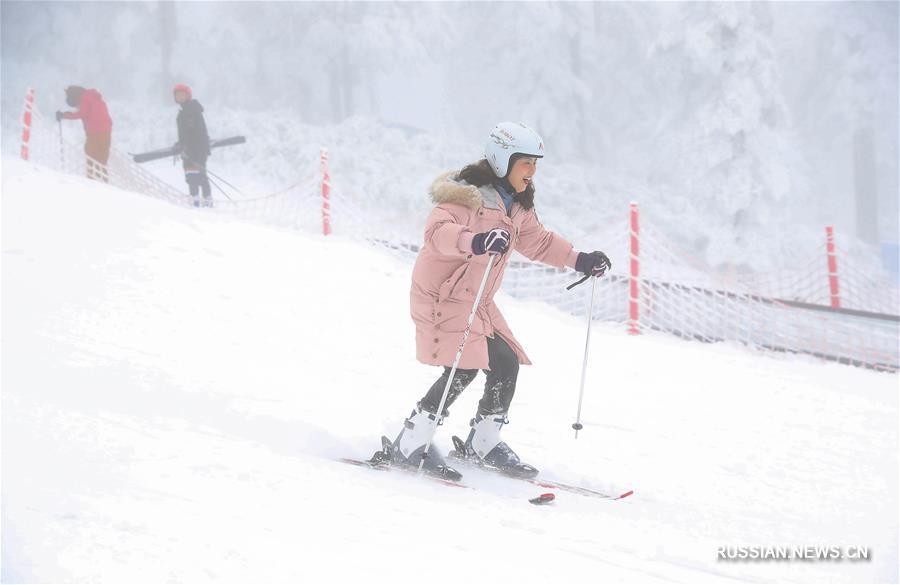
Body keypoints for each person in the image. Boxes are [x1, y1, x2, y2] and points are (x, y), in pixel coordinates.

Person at [389, 122, 612, 480]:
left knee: (505, 361)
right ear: (502, 159)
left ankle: (483, 441)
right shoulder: (466, 196)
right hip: (442, 296)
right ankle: (410, 442)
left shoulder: (516, 207)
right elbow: (437, 233)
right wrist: (475, 241)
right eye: (526, 163)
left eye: (535, 165)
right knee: (463, 366)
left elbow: (539, 242)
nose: (532, 172)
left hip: (474, 301)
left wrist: (580, 260)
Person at [56, 85, 112, 182]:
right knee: (102, 159)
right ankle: (103, 182)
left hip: (95, 133)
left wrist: (64, 115)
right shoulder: (94, 97)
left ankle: (91, 182)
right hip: (106, 131)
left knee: (91, 157)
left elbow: (81, 114)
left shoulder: (85, 99)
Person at [172, 83, 212, 207]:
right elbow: (185, 133)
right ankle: (195, 200)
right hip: (188, 150)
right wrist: (180, 144)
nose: (180, 97)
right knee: (191, 176)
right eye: (177, 95)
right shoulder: (183, 111)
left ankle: (207, 201)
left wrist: (187, 146)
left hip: (197, 149)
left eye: (182, 95)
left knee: (200, 176)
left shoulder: (192, 110)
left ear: (188, 95)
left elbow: (197, 131)